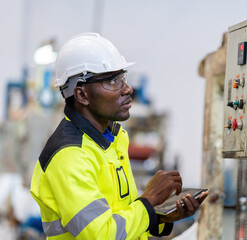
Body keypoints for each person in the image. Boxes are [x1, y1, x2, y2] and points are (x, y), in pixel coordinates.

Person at [30, 33, 208, 240]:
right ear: (81, 95)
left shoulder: (113, 139)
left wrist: (161, 216)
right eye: (113, 80)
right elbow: (104, 235)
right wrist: (149, 200)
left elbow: (123, 216)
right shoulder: (69, 156)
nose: (128, 89)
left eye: (122, 77)